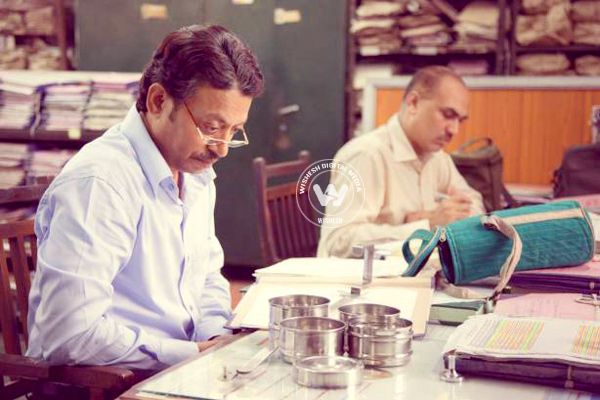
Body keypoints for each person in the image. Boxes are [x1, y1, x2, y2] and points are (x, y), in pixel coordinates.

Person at [26, 25, 264, 370]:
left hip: (175, 369)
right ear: (158, 101)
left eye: (234, 131)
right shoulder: (101, 183)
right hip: (104, 383)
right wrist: (191, 354)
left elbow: (206, 277)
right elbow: (70, 336)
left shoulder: (194, 173)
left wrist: (216, 339)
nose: (222, 149)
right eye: (211, 128)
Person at [318, 66, 484, 258]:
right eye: (447, 115)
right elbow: (338, 241)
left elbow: (475, 203)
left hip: (410, 271)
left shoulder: (437, 157)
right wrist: (425, 227)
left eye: (460, 120)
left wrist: (446, 214)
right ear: (413, 103)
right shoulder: (366, 154)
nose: (454, 130)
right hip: (356, 275)